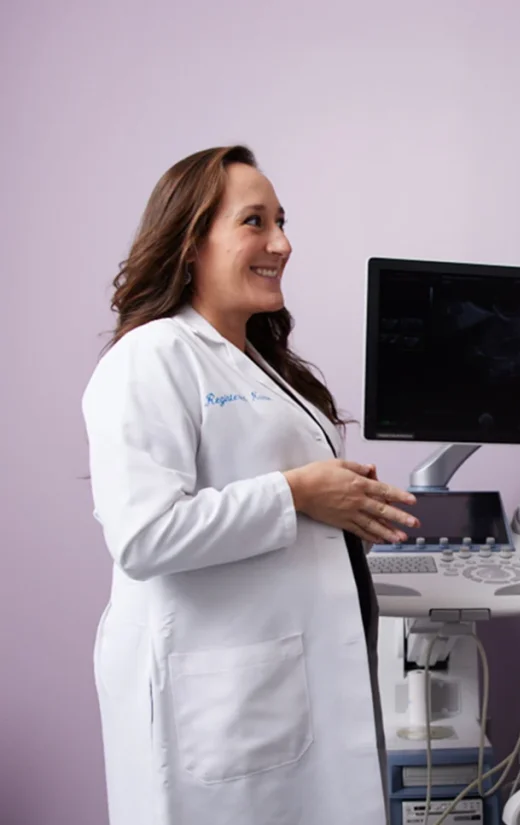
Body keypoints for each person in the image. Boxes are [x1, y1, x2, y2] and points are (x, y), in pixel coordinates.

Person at [82, 145, 418, 825]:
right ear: (189, 244)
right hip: (227, 702)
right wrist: (298, 493)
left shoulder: (262, 366)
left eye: (282, 221)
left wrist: (345, 506)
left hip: (286, 683)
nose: (282, 243)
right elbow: (144, 534)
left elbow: (282, 498)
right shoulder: (150, 359)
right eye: (254, 222)